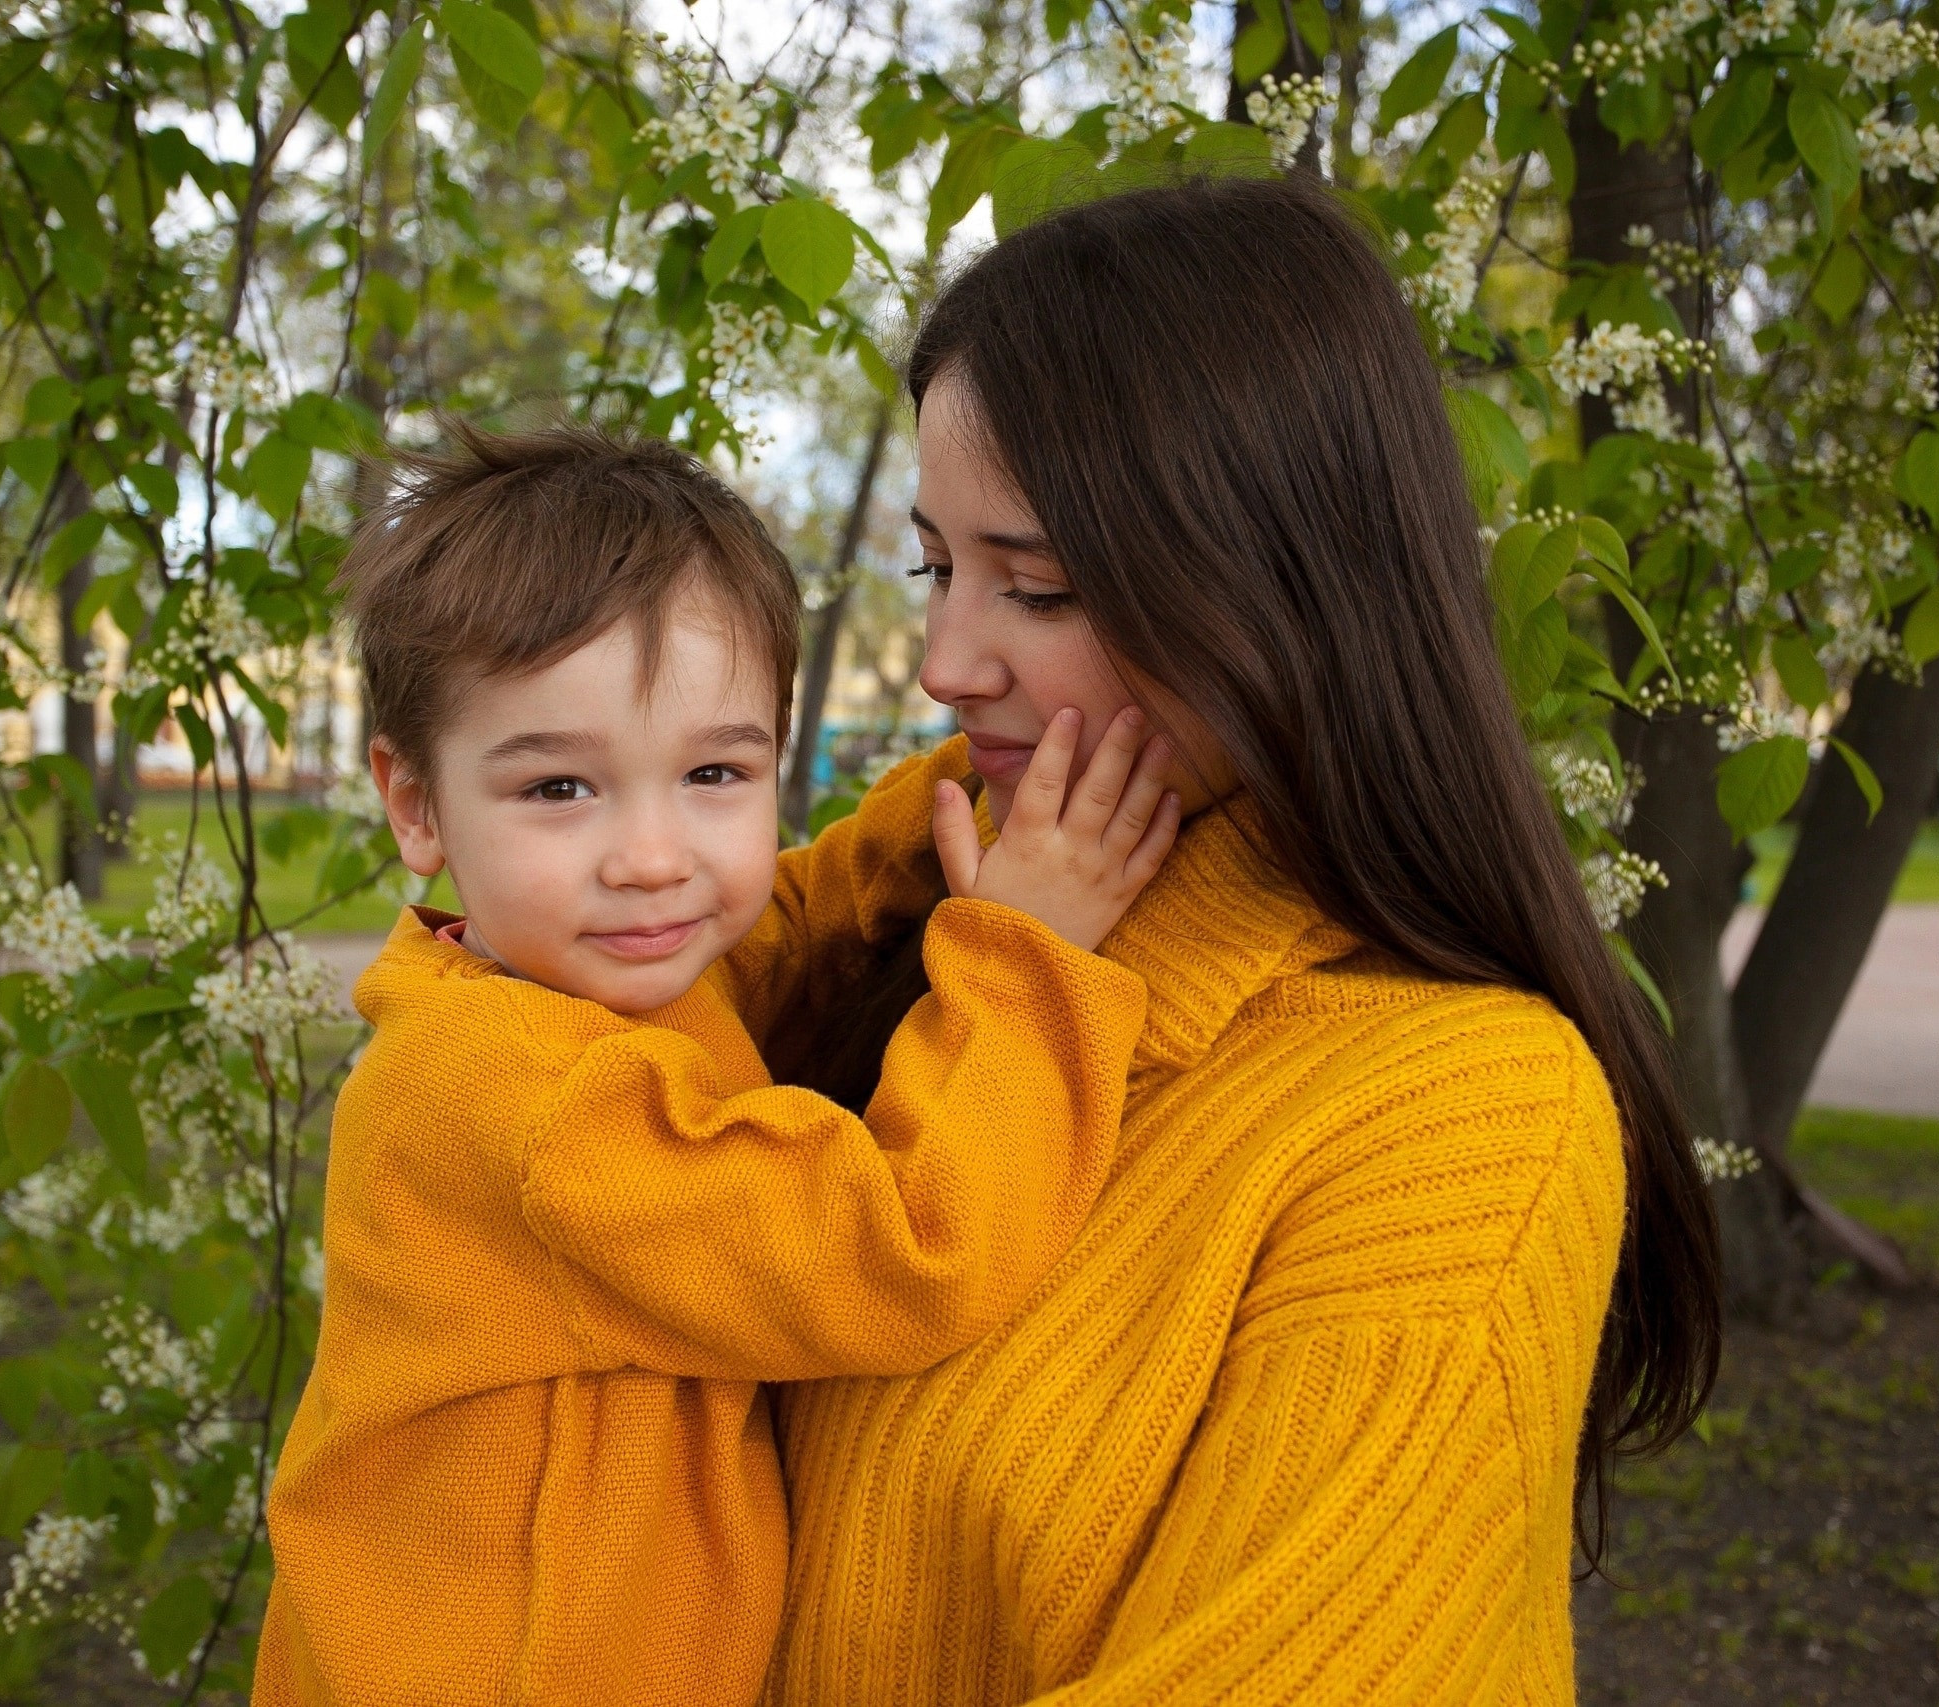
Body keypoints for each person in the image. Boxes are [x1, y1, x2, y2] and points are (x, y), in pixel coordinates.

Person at [745, 176, 1726, 1701]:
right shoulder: (947, 918)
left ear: (1284, 588)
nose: (945, 662)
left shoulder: (1469, 1121)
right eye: (938, 566)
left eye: (1042, 584)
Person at [252, 426, 1182, 1707]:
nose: (651, 856)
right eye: (561, 789)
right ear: (415, 806)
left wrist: (977, 785)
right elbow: (906, 1248)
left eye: (711, 773)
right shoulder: (523, 1102)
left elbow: (784, 935)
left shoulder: (565, 984)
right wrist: (1029, 955)